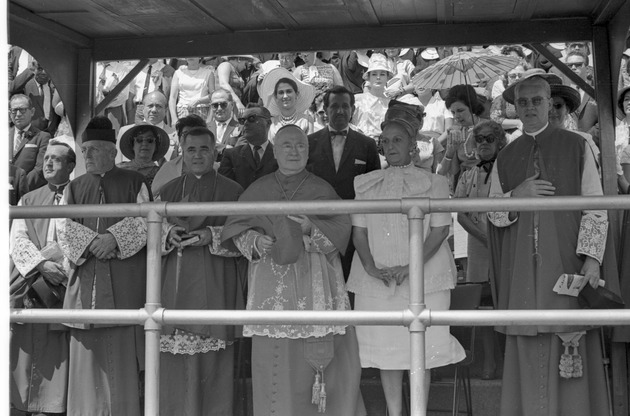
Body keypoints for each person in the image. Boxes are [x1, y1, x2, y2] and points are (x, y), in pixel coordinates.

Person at [487, 71, 611, 415]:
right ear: (515, 106)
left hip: (567, 263)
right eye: (522, 102)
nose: (529, 108)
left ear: (549, 103)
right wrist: (516, 196)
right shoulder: (506, 156)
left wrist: (592, 258)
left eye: (536, 101)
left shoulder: (578, 144)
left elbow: (596, 204)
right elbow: (493, 215)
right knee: (528, 339)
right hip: (524, 269)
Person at [222, 124, 366, 416]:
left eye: (301, 146)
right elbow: (236, 229)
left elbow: (339, 234)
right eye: (287, 146)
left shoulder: (321, 189)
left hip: (316, 280)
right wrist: (254, 240)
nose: (294, 152)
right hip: (270, 281)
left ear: (308, 151)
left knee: (318, 359)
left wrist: (311, 226)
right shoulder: (258, 189)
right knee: (275, 359)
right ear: (275, 151)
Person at [348, 102, 465, 416]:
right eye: (384, 141)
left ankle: (418, 412)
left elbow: (439, 232)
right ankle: (394, 411)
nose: (389, 146)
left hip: (425, 278)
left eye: (397, 140)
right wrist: (371, 267)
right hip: (377, 280)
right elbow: (359, 232)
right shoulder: (367, 184)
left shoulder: (435, 183)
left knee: (420, 349)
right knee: (387, 351)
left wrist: (409, 267)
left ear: (414, 145)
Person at [57, 116, 149, 416]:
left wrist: (114, 238)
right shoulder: (74, 187)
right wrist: (92, 243)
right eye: (85, 151)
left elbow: (149, 221)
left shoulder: (136, 182)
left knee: (122, 358)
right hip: (87, 278)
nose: (87, 156)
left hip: (125, 280)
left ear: (112, 152)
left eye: (94, 149)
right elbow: (63, 227)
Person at [157, 126, 244, 415]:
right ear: (181, 150)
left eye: (204, 149)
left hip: (216, 282)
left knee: (214, 366)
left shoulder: (234, 192)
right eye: (191, 149)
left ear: (216, 150)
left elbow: (246, 238)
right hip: (175, 284)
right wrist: (167, 233)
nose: (197, 155)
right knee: (175, 368)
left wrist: (213, 235)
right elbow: (145, 236)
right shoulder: (166, 192)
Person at [9, 141, 76, 416]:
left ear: (71, 166)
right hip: (36, 279)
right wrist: (42, 264)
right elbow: (18, 240)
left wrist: (67, 269)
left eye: (56, 160)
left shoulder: (80, 194)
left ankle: (54, 406)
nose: (47, 164)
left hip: (69, 281)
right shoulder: (30, 198)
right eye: (46, 158)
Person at [307, 85, 381, 278]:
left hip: (353, 227)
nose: (340, 111)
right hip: (318, 225)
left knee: (350, 280)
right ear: (325, 109)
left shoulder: (367, 145)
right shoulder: (308, 143)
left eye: (345, 106)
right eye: (334, 106)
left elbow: (374, 188)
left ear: (353, 110)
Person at [453, 120, 507, 380]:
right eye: (480, 139)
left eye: (489, 139)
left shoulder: (508, 169)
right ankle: (488, 359)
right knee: (483, 304)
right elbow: (460, 213)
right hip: (478, 246)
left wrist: (495, 237)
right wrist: (483, 236)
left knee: (504, 302)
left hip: (505, 244)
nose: (484, 143)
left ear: (499, 141)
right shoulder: (468, 174)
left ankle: (508, 359)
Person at [436, 84, 486, 190]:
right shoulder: (456, 131)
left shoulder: (488, 127)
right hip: (463, 186)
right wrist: (450, 151)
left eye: (460, 110)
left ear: (471, 107)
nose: (456, 116)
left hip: (486, 184)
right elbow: (442, 172)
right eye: (453, 112)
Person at [218, 105, 278, 190]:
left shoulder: (280, 155)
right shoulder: (231, 155)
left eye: (251, 118)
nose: (245, 123)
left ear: (268, 123)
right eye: (242, 120)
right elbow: (224, 190)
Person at [150, 114, 207, 197]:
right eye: (185, 134)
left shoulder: (215, 168)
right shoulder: (169, 167)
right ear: (179, 139)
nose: (190, 138)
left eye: (195, 133)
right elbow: (154, 200)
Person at [117, 91, 179, 164]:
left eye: (159, 106)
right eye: (150, 106)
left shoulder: (176, 136)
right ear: (142, 108)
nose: (154, 110)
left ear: (166, 110)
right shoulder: (124, 132)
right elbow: (117, 164)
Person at [258, 66, 315, 140]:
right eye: (281, 92)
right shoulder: (271, 123)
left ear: (296, 94)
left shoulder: (306, 120)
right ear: (276, 97)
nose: (285, 96)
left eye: (289, 91)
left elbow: (311, 147)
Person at [10, 94, 52, 191]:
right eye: (14, 110)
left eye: (23, 109)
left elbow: (40, 169)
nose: (18, 114)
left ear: (32, 112)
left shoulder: (42, 137)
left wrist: (19, 187)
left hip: (28, 192)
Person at [352, 53, 394, 140]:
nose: (378, 77)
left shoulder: (391, 104)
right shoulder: (357, 99)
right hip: (360, 144)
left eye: (382, 74)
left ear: (387, 78)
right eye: (374, 74)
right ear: (369, 77)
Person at [168, 57, 215, 122]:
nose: (191, 57)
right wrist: (174, 118)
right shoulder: (178, 73)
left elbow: (213, 96)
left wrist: (198, 101)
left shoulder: (209, 73)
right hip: (182, 110)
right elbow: (172, 98)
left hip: (202, 111)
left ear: (200, 57)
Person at [23, 61, 60, 135]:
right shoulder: (26, 85)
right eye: (40, 69)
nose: (44, 72)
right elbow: (12, 87)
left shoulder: (55, 86)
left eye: (47, 69)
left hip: (51, 133)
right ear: (34, 70)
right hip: (33, 133)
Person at [490, 64, 526, 140]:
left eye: (520, 75)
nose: (517, 78)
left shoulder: (532, 95)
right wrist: (518, 123)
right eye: (513, 76)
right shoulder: (501, 99)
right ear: (507, 79)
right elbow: (495, 120)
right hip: (509, 137)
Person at [206, 88, 242, 154]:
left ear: (232, 105)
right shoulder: (204, 128)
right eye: (215, 105)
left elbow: (240, 150)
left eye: (223, 104)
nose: (219, 109)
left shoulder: (241, 128)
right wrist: (225, 148)